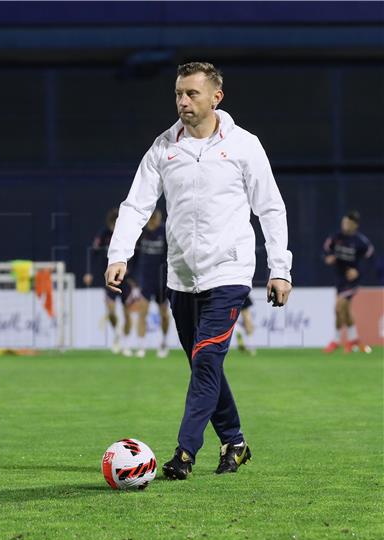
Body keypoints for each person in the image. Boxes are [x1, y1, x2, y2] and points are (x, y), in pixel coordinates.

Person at [105, 62, 292, 480]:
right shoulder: (163, 147)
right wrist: (119, 255)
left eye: (191, 94)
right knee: (203, 364)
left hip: (228, 273)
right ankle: (235, 442)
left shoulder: (244, 146)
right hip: (181, 277)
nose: (183, 102)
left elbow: (270, 208)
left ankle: (185, 453)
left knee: (207, 360)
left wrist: (280, 269)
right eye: (178, 94)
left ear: (215, 97)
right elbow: (136, 205)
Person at [83, 208, 138, 354]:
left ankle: (125, 343)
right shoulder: (104, 234)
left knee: (127, 313)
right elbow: (93, 252)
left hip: (126, 280)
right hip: (110, 279)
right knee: (111, 311)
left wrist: (134, 277)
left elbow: (137, 256)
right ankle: (117, 334)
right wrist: (89, 272)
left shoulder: (127, 235)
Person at [322, 210, 375, 354]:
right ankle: (354, 340)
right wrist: (328, 258)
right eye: (344, 222)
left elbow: (370, 259)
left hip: (352, 280)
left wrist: (358, 271)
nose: (345, 225)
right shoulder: (336, 237)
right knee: (344, 310)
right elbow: (326, 249)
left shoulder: (360, 242)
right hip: (339, 278)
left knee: (339, 307)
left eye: (349, 223)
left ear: (355, 225)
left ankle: (336, 340)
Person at [134, 208, 171, 358]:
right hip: (146, 278)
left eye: (156, 221)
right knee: (143, 312)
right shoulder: (141, 233)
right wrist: (132, 276)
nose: (154, 223)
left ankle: (163, 343)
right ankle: (142, 346)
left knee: (164, 314)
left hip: (162, 279)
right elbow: (135, 255)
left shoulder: (165, 232)